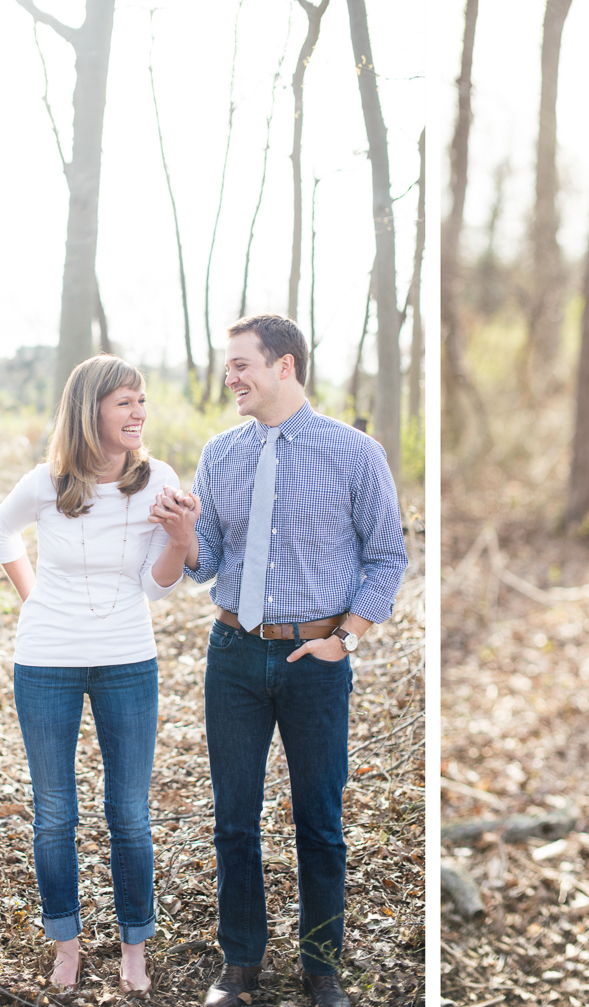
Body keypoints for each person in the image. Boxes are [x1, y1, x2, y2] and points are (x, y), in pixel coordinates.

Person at [158, 314, 408, 1007]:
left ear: (285, 367)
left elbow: (389, 557)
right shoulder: (221, 454)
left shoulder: (354, 454)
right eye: (228, 365)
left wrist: (346, 636)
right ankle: (239, 965)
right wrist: (183, 536)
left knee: (320, 821)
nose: (230, 377)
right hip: (234, 654)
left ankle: (322, 969)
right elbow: (204, 564)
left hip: (316, 658)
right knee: (233, 818)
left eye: (242, 364)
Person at [0, 355, 196, 997]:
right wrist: (34, 600)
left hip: (127, 658)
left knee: (129, 815)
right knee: (55, 814)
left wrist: (182, 542)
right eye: (125, 402)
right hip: (45, 660)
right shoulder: (47, 483)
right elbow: (2, 531)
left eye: (142, 401)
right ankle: (67, 944)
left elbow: (154, 589)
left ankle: (135, 946)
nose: (139, 413)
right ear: (91, 411)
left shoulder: (157, 480)